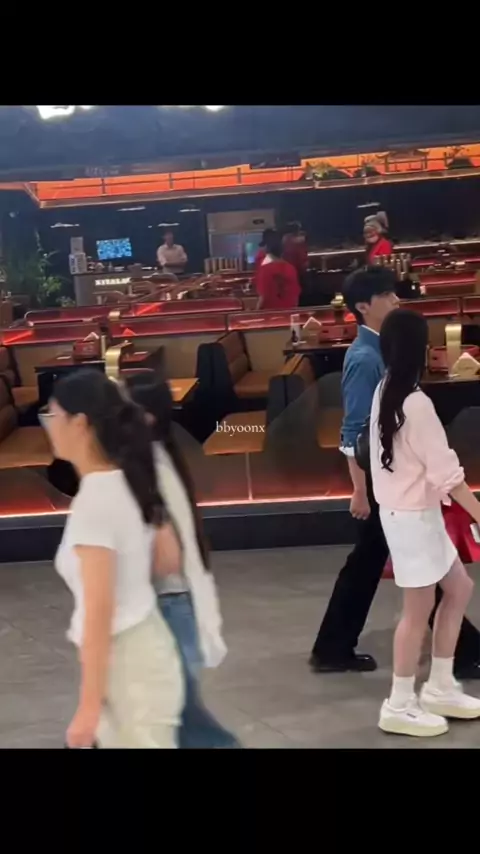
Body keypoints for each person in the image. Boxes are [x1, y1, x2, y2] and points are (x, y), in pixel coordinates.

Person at [309, 267, 480, 677]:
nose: (395, 299)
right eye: (386, 295)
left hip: (389, 476)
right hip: (384, 479)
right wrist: (359, 490)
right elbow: (354, 430)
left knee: (380, 561)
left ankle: (333, 647)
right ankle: (463, 653)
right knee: (409, 561)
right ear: (363, 306)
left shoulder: (381, 350)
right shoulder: (364, 358)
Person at [40, 369, 184, 748]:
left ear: (79, 423)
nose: (48, 426)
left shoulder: (95, 502)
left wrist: (88, 709)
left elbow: (99, 610)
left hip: (128, 669)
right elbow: (167, 560)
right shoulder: (125, 480)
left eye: (52, 415)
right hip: (142, 652)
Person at [371, 309, 480, 736]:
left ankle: (439, 685)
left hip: (413, 513)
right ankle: (399, 703)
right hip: (412, 518)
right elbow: (447, 474)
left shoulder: (387, 389)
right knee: (417, 612)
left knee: (459, 588)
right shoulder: (415, 403)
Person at [125, 372, 241, 749]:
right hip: (169, 605)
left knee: (179, 713)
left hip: (165, 607)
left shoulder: (150, 472)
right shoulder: (158, 460)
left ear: (146, 417)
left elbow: (166, 558)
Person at [256, 231, 300, 310]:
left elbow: (263, 298)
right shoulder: (291, 268)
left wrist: (256, 313)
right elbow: (295, 297)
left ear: (268, 251)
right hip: (289, 313)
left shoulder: (265, 269)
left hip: (271, 314)